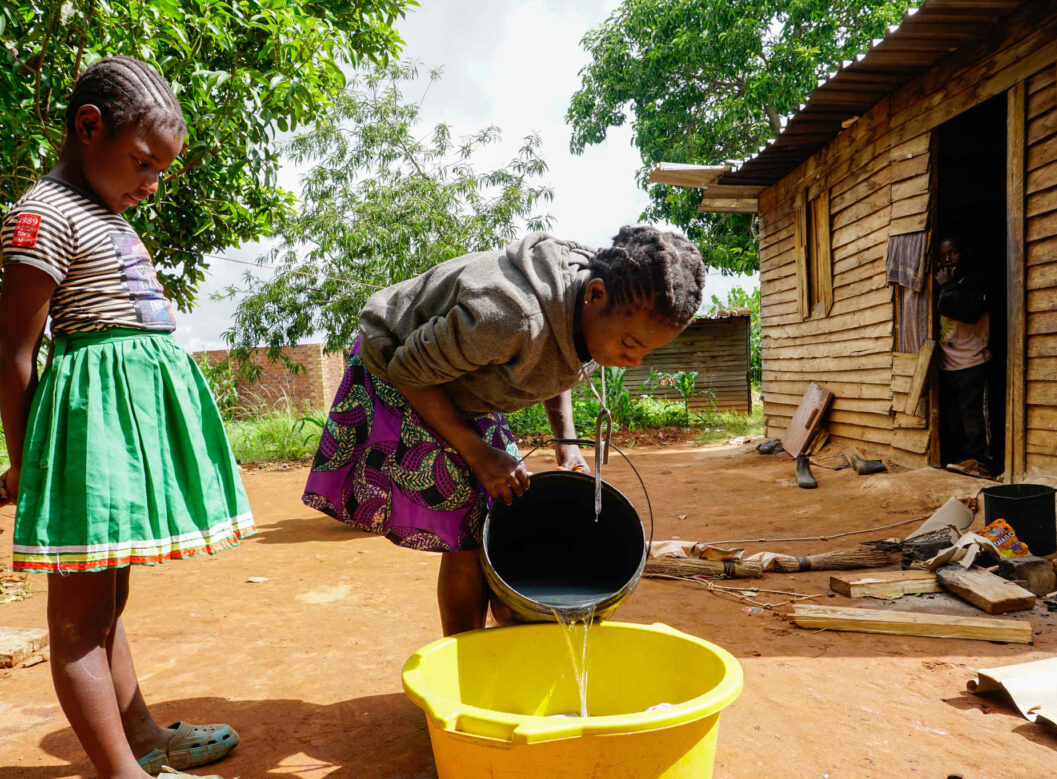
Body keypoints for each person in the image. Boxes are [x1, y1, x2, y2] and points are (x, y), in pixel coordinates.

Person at [0, 57, 252, 779]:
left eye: (160, 172)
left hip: (119, 435)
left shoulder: (99, 211)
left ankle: (141, 734)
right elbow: (13, 350)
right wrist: (29, 464)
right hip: (85, 430)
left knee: (108, 598)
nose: (150, 183)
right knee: (76, 621)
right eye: (143, 163)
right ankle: (123, 772)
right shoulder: (42, 212)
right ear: (89, 128)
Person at [302, 226, 705, 635]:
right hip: (398, 373)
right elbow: (407, 369)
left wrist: (567, 445)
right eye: (629, 344)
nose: (634, 361)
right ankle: (467, 670)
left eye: (646, 351)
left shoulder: (596, 307)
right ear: (595, 295)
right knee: (467, 529)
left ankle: (506, 642)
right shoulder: (508, 317)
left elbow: (564, 355)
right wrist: (477, 454)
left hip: (464, 381)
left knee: (505, 506)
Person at [935, 237, 993, 474]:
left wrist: (946, 287)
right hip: (947, 364)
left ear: (964, 254)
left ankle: (981, 462)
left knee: (973, 417)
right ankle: (960, 461)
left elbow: (968, 312)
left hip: (973, 362)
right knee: (953, 418)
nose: (948, 259)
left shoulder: (975, 282)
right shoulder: (941, 283)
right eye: (943, 255)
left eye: (953, 253)